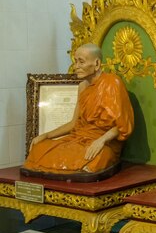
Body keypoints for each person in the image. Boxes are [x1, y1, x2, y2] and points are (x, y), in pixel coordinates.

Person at [22, 43, 134, 180]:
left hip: (106, 142)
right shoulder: (82, 87)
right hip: (80, 138)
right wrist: (46, 135)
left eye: (81, 62)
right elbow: (73, 124)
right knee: (39, 148)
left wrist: (101, 140)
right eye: (75, 62)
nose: (76, 67)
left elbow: (122, 125)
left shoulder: (112, 83)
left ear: (97, 63)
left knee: (97, 157)